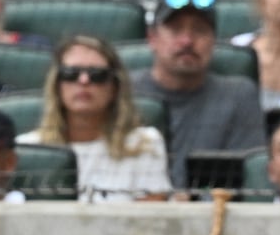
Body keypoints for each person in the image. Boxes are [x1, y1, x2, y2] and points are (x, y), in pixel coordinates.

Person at [131, 0, 268, 191]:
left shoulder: (239, 95)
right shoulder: (125, 93)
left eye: (200, 30)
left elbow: (248, 183)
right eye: (176, 29)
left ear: (214, 40)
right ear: (152, 38)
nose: (187, 41)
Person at [17, 35, 172, 202]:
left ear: (115, 87)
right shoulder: (27, 149)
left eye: (97, 74)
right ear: (56, 85)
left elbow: (151, 221)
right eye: (71, 73)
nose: (83, 81)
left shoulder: (144, 144)